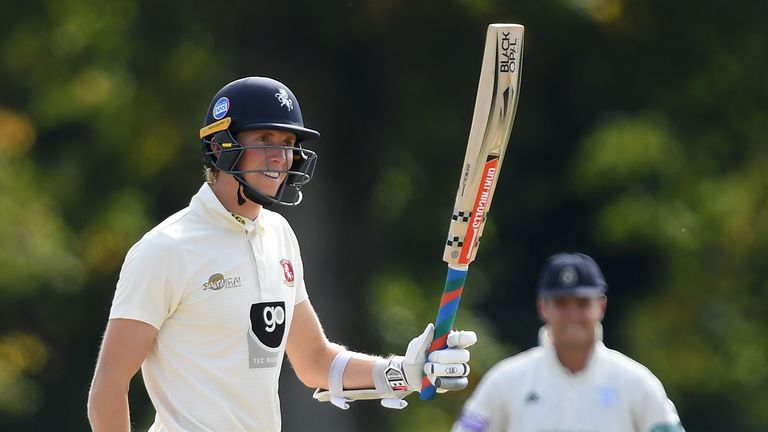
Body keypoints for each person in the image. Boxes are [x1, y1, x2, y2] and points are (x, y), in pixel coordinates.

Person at [87, 76, 477, 432]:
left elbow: (315, 361)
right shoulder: (167, 249)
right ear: (218, 146)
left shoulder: (279, 235)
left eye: (288, 144)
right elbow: (110, 383)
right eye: (265, 140)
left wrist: (405, 372)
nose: (279, 156)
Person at [452, 252, 684, 432]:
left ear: (601, 306)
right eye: (561, 303)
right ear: (543, 307)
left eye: (582, 303)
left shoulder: (636, 382)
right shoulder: (506, 380)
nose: (572, 314)